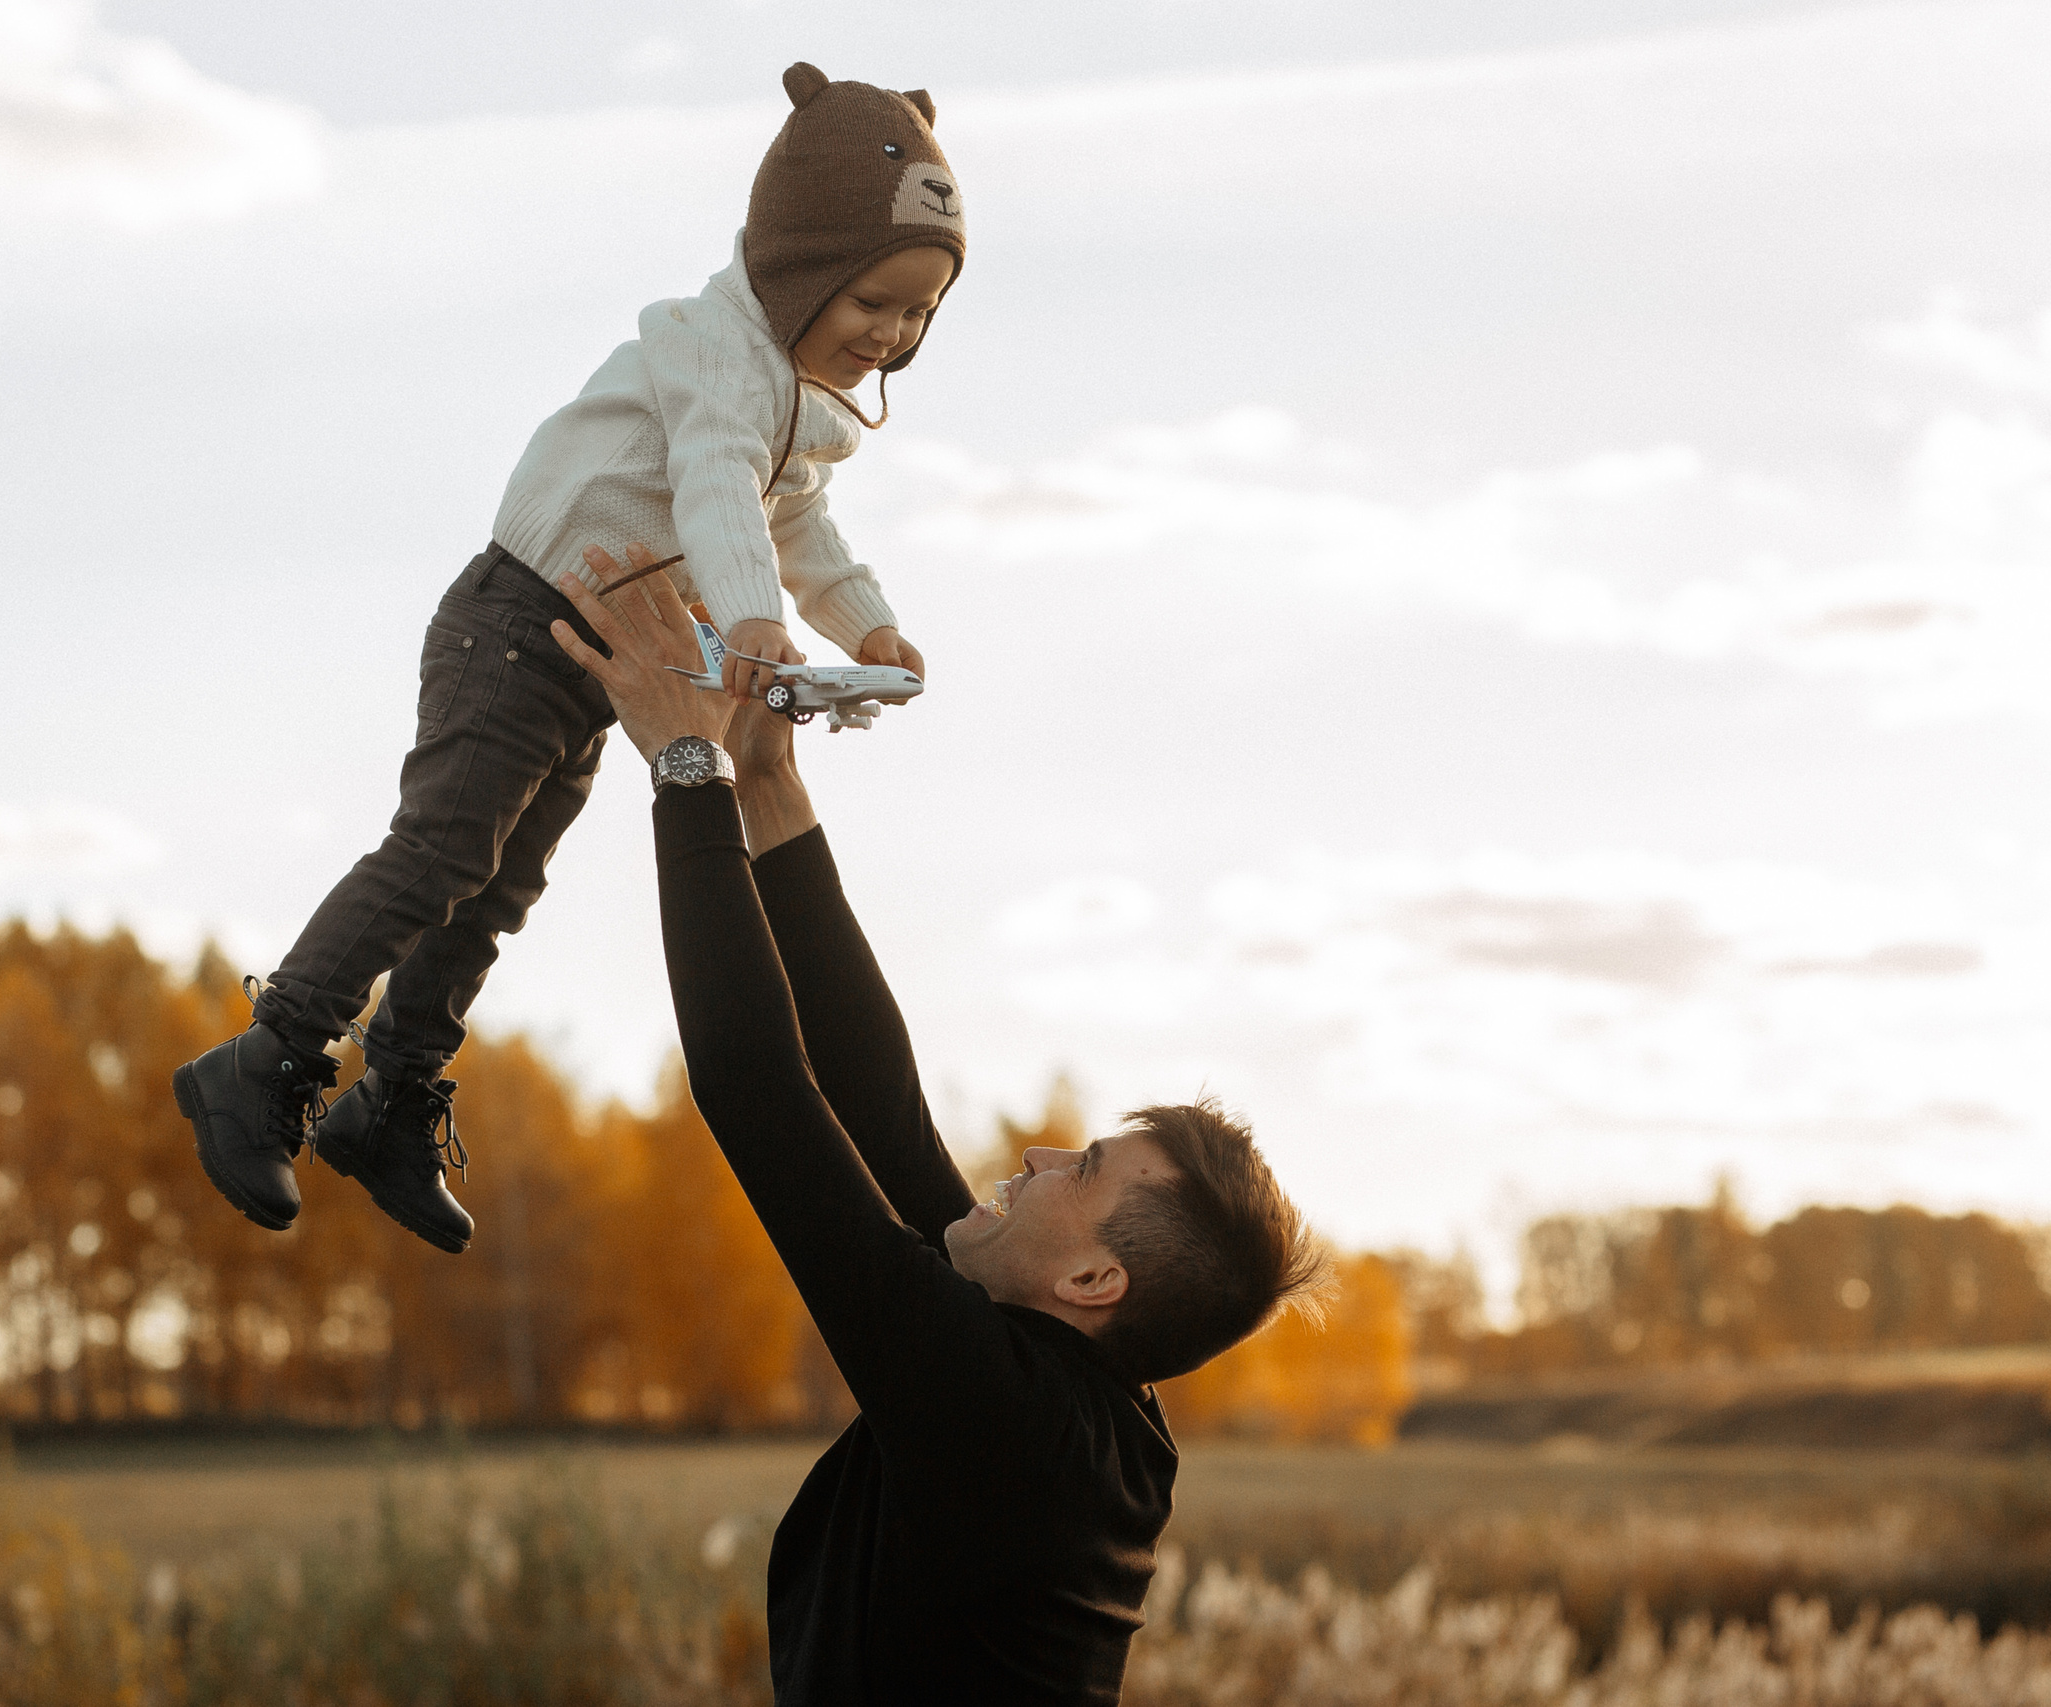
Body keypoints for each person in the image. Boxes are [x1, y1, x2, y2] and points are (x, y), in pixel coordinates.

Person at [171, 63, 962, 1252]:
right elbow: (713, 485)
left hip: (598, 653)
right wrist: (748, 621)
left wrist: (865, 626)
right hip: (516, 617)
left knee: (499, 888)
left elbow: (794, 522)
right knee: (444, 846)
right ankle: (273, 1049)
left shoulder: (799, 403)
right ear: (799, 265)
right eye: (872, 304)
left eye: (916, 316)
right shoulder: (710, 351)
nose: (890, 337)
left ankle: (390, 1097)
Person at [547, 554, 1329, 1706]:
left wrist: (686, 763)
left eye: (1087, 1168)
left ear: (1095, 1275)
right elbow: (885, 1117)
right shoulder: (1081, 1398)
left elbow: (758, 1090)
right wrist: (767, 784)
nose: (1038, 1155)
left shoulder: (1008, 1421)